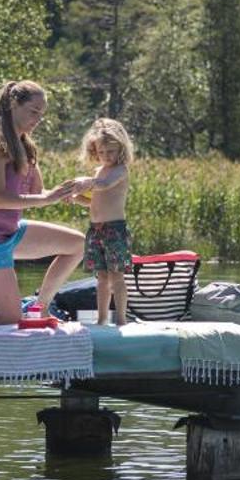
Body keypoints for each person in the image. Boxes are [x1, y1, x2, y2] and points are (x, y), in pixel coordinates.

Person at [0, 80, 90, 327]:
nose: (38, 119)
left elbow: (39, 192)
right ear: (13, 106)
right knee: (9, 318)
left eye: (42, 114)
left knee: (77, 244)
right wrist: (45, 199)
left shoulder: (26, 146)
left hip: (11, 231)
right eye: (33, 112)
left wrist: (76, 195)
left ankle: (41, 305)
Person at [73, 117, 134, 325]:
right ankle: (101, 319)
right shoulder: (98, 172)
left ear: (120, 150)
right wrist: (74, 196)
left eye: (111, 152)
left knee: (116, 275)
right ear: (94, 151)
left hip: (114, 230)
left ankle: (122, 319)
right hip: (96, 230)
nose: (106, 156)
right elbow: (93, 202)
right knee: (101, 277)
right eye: (101, 152)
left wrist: (86, 182)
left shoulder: (120, 170)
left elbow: (104, 185)